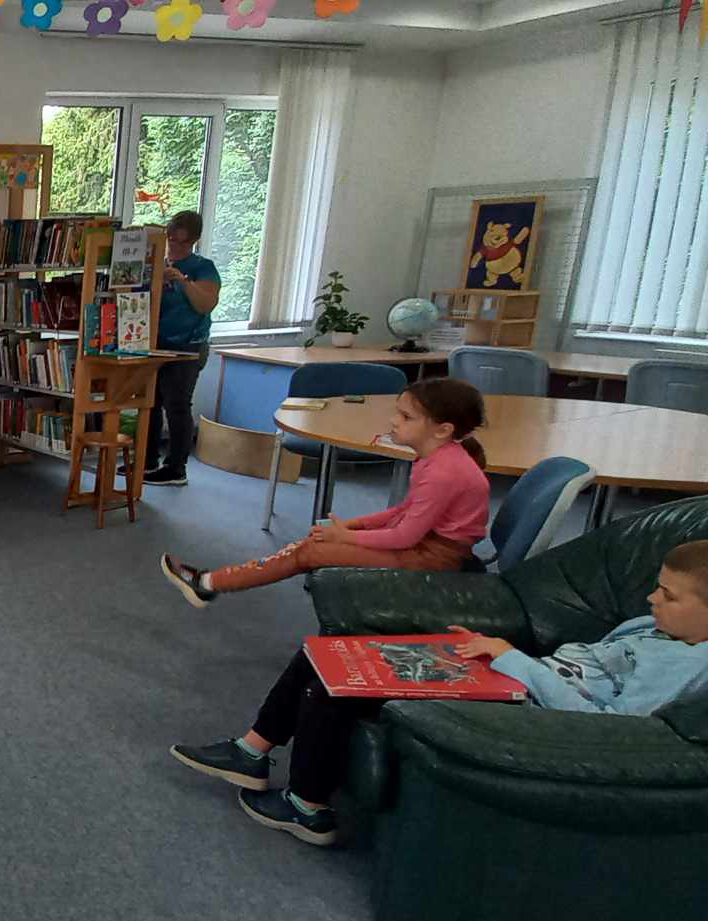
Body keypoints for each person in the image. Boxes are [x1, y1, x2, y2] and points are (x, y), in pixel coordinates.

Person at [169, 540, 708, 846]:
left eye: (668, 594)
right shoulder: (655, 629)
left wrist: (511, 659)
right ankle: (252, 751)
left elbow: (610, 726)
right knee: (331, 653)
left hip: (530, 710)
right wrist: (504, 657)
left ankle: (307, 807)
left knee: (340, 687)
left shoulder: (688, 665)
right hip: (513, 673)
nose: (650, 598)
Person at [160, 377, 490, 606]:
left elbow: (405, 536)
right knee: (317, 540)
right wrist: (354, 526)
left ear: (443, 430)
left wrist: (346, 537)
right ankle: (211, 581)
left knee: (311, 552)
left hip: (433, 556)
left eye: (405, 417)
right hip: (423, 542)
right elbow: (405, 511)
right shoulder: (435, 458)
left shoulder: (444, 471)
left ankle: (207, 584)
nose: (394, 422)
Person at [143, 210, 223, 487]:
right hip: (156, 344)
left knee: (176, 404)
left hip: (188, 346)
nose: (175, 246)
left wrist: (181, 280)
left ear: (194, 241)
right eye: (171, 240)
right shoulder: (157, 263)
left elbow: (205, 304)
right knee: (150, 403)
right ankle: (147, 460)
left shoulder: (203, 267)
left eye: (182, 241)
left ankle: (176, 468)